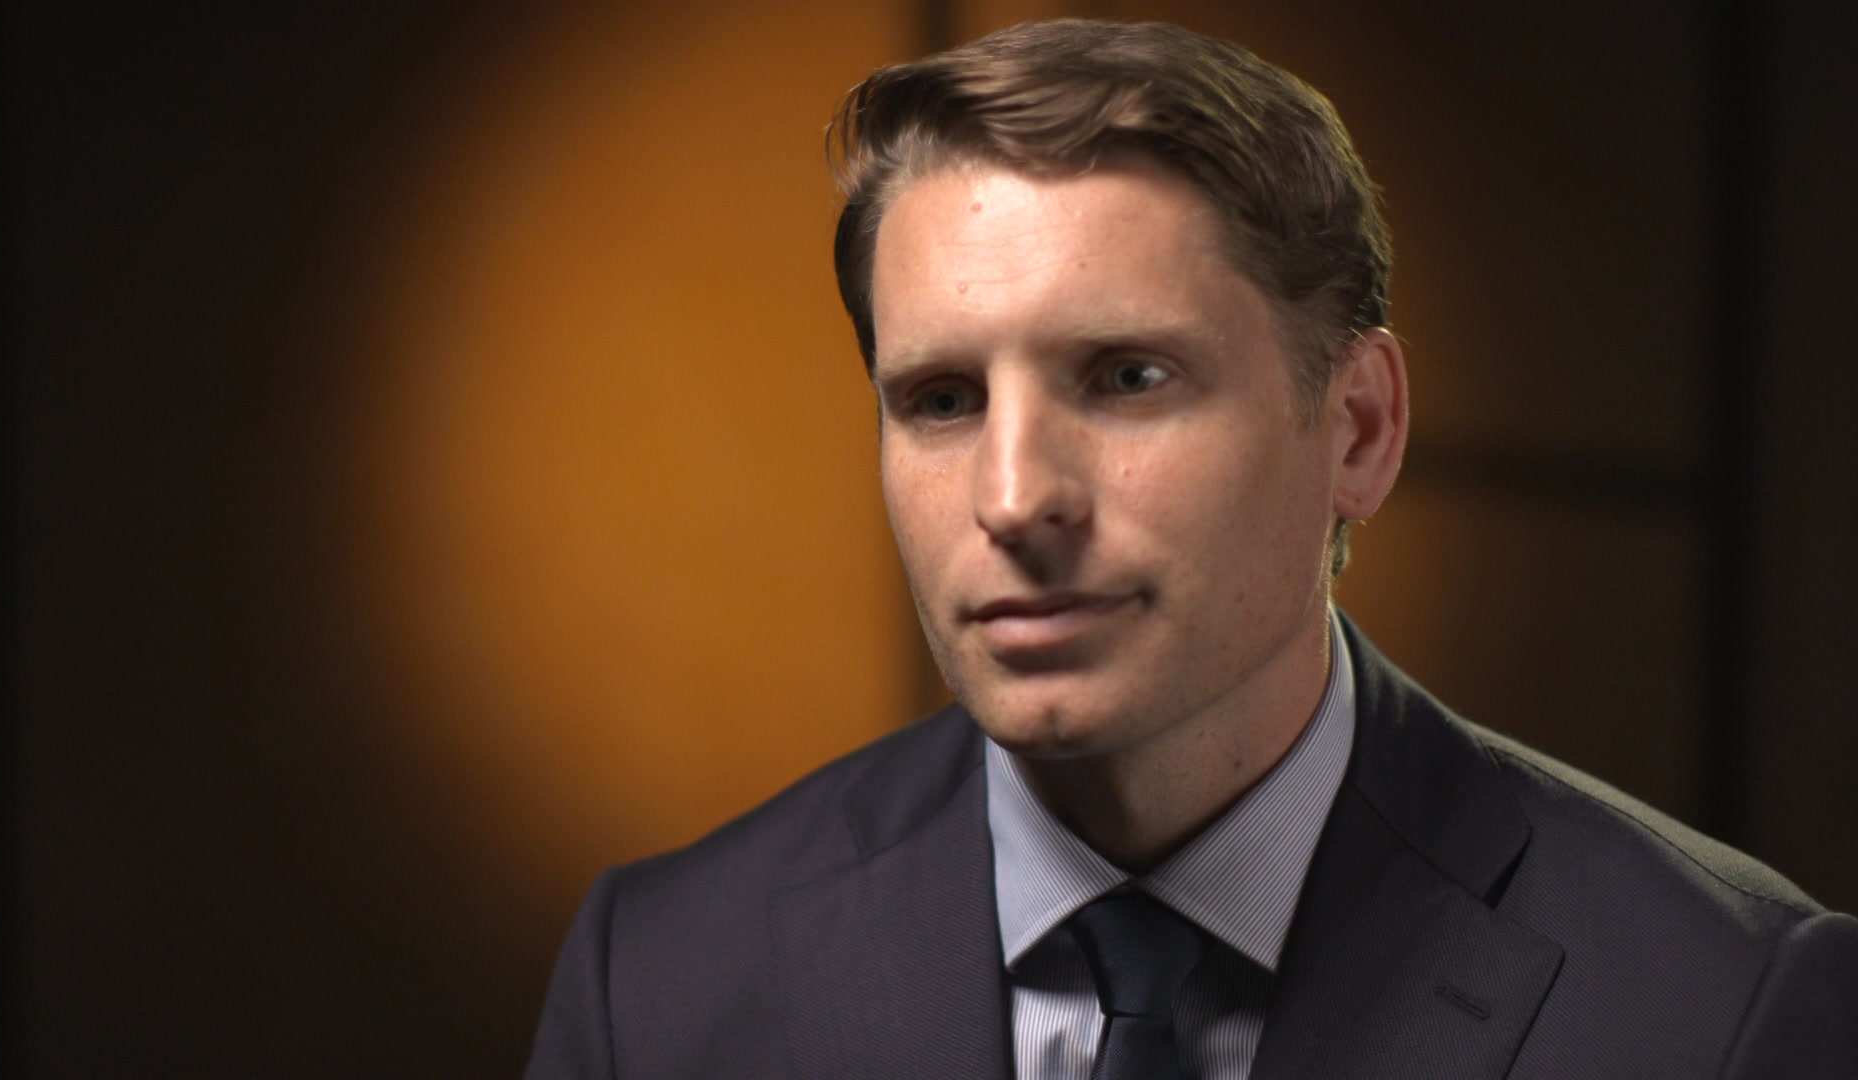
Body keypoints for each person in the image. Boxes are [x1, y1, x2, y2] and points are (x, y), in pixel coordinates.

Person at [525, 19, 1857, 1079]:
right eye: (941, 400)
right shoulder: (660, 982)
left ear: (1358, 429)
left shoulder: (1726, 1011)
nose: (1013, 497)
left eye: (1127, 377)